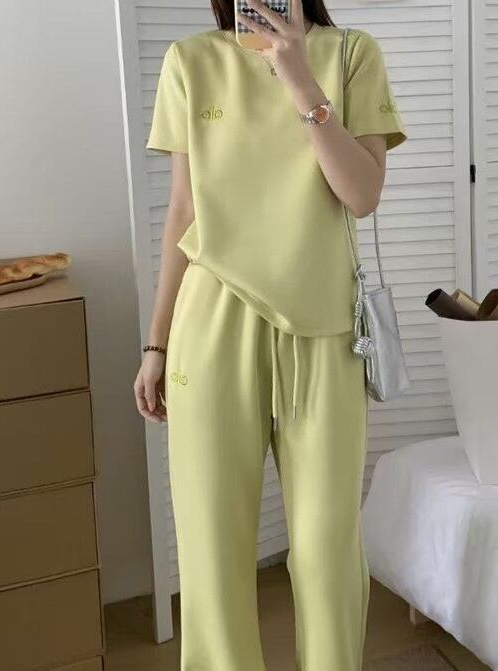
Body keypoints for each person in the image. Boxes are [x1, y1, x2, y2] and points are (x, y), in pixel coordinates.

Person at [134, 0, 407, 667]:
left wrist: (299, 78)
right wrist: (156, 343)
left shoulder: (352, 53)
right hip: (211, 321)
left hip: (324, 327)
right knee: (211, 545)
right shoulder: (190, 61)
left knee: (325, 545)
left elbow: (361, 195)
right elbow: (182, 210)